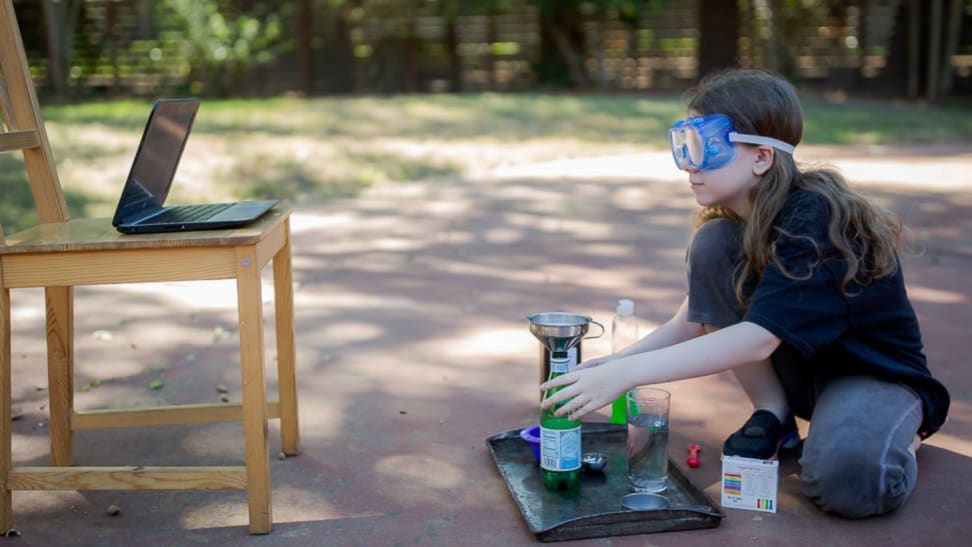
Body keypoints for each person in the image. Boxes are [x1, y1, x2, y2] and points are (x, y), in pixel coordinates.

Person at [539, 69, 950, 518]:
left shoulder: (816, 216)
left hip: (872, 377)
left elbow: (756, 339)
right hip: (801, 375)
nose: (689, 165)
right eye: (683, 147)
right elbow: (693, 321)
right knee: (713, 243)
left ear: (760, 158)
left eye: (704, 148)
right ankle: (774, 415)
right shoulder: (732, 228)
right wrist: (609, 366)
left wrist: (628, 375)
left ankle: (900, 434)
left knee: (847, 483)